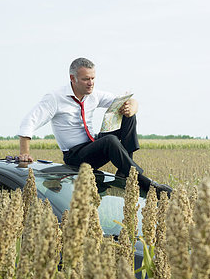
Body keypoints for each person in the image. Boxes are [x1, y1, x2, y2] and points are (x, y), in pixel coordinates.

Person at [18, 57, 172, 196]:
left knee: (127, 114)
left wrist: (133, 107)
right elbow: (29, 121)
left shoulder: (93, 94)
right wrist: (24, 153)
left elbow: (127, 101)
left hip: (93, 145)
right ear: (73, 78)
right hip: (76, 156)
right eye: (86, 79)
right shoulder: (55, 98)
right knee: (110, 140)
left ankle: (125, 172)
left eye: (93, 78)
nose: (91, 83)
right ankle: (143, 182)